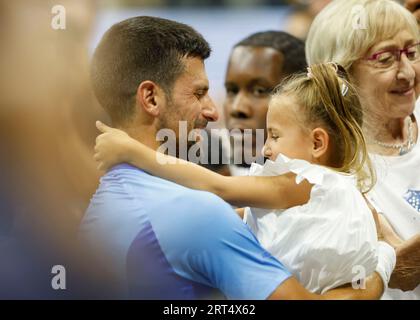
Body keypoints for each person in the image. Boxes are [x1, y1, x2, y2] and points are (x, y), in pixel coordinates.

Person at [81, 16, 390, 299]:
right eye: (199, 93)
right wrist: (382, 268)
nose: (215, 111)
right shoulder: (194, 213)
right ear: (150, 98)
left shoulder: (104, 202)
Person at [305, 0, 420, 299]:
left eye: (412, 52)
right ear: (340, 73)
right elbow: (402, 272)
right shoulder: (335, 169)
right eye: (385, 59)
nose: (407, 72)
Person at [223, 31, 307, 176]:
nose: (237, 108)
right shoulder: (202, 178)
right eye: (232, 91)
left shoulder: (328, 186)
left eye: (259, 91)